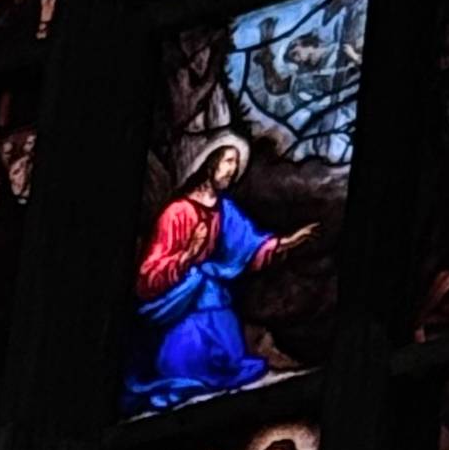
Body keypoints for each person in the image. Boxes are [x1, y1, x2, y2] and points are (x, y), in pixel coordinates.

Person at [126, 139, 315, 410]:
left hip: (209, 286)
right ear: (209, 163)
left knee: (227, 339)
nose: (232, 170)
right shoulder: (177, 212)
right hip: (177, 299)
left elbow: (248, 243)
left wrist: (286, 242)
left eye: (236, 165)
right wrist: (187, 255)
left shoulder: (223, 209)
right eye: (228, 161)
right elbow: (148, 275)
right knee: (184, 353)